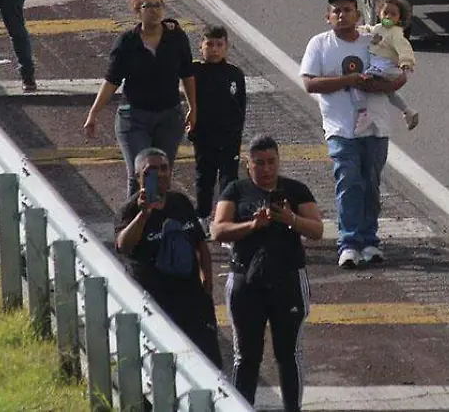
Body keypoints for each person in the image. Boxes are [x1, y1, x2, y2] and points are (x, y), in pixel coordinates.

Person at [211, 136, 323, 412]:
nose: (266, 169)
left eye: (271, 162)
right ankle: (240, 407)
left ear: (278, 161)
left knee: (289, 354)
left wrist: (290, 220)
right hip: (245, 280)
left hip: (288, 280)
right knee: (246, 357)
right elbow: (218, 230)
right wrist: (252, 225)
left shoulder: (295, 190)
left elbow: (317, 230)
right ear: (249, 165)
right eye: (259, 163)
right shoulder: (235, 191)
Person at [299, 0, 405, 269]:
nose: (342, 15)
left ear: (358, 15)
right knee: (348, 181)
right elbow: (310, 83)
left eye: (347, 9)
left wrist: (376, 85)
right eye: (336, 11)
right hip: (340, 129)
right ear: (327, 17)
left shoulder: (375, 41)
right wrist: (348, 80)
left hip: (375, 127)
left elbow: (398, 77)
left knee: (370, 183)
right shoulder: (319, 44)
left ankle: (369, 241)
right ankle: (348, 243)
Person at [116, 148, 223, 367]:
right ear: (138, 177)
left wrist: (207, 281)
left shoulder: (180, 203)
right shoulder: (128, 211)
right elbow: (123, 245)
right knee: (164, 365)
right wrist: (144, 215)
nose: (160, 174)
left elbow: (200, 242)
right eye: (151, 171)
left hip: (191, 297)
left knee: (208, 360)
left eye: (164, 168)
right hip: (156, 301)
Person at [83, 0, 196, 196]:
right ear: (138, 11)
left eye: (157, 5)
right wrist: (94, 112)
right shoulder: (127, 42)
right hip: (134, 118)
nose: (154, 11)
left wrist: (193, 107)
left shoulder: (176, 38)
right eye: (148, 6)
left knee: (162, 175)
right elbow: (112, 80)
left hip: (169, 116)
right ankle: (134, 221)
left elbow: (187, 74)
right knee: (142, 173)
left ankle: (158, 221)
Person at [188, 25, 246, 233]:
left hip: (229, 137)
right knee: (204, 177)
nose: (214, 49)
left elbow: (240, 105)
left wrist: (236, 131)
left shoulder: (235, 74)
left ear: (227, 47)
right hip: (204, 135)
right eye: (209, 44)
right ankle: (202, 216)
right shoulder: (194, 71)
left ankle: (226, 220)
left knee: (229, 179)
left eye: (219, 45)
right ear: (201, 46)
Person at [354, 0, 419, 132]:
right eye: (386, 13)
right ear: (379, 13)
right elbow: (369, 30)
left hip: (385, 66)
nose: (388, 17)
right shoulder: (378, 27)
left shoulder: (396, 33)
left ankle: (364, 113)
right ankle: (408, 111)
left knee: (358, 82)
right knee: (389, 92)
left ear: (399, 18)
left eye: (393, 14)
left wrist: (406, 62)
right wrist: (359, 30)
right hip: (378, 64)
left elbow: (404, 48)